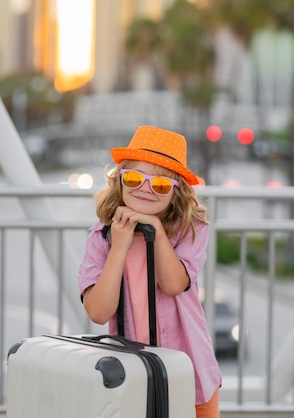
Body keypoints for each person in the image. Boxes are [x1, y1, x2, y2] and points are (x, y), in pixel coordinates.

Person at [77, 125, 221, 417]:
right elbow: (98, 312)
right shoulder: (102, 237)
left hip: (189, 368)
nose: (145, 188)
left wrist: (154, 228)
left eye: (161, 184)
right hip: (133, 372)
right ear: (119, 181)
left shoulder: (190, 231)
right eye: (134, 177)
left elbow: (173, 284)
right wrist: (119, 247)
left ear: (176, 191)